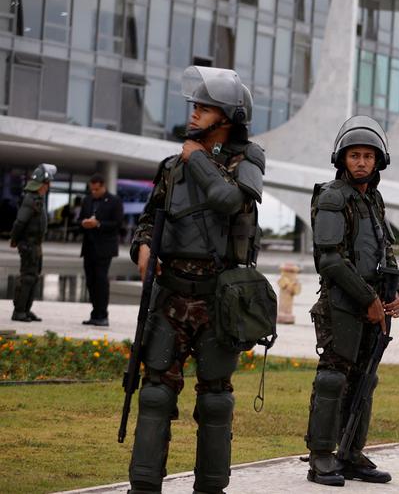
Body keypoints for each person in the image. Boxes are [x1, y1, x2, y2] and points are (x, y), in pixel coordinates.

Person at [126, 67, 264, 494]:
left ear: (226, 118)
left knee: (216, 400)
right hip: (170, 297)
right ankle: (144, 486)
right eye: (195, 107)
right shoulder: (172, 166)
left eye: (204, 108)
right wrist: (143, 248)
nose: (194, 114)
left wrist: (198, 159)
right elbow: (148, 221)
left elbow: (226, 200)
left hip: (218, 299)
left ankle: (210, 488)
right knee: (154, 395)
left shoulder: (248, 161)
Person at [305, 116, 399, 486]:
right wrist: (368, 300)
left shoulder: (374, 199)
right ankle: (320, 456)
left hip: (373, 307)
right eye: (354, 156)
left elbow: (385, 251)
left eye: (368, 156)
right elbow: (330, 259)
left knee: (366, 378)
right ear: (342, 159)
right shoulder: (332, 197)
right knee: (333, 379)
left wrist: (395, 295)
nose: (361, 162)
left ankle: (350, 453)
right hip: (342, 307)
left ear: (378, 161)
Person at [10, 163, 54, 322]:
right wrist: (14, 239)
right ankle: (19, 311)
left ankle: (26, 310)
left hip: (35, 244)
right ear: (43, 184)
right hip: (29, 244)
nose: (48, 187)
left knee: (33, 277)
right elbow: (19, 223)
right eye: (48, 184)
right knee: (27, 277)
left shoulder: (37, 199)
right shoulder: (30, 199)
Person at [79, 173, 125, 327]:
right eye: (92, 190)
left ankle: (103, 315)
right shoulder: (87, 200)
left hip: (104, 248)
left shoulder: (114, 201)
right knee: (91, 281)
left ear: (103, 186)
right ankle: (95, 313)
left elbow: (117, 224)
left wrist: (98, 224)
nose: (94, 192)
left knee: (101, 280)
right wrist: (84, 223)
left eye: (96, 189)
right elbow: (80, 218)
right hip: (89, 247)